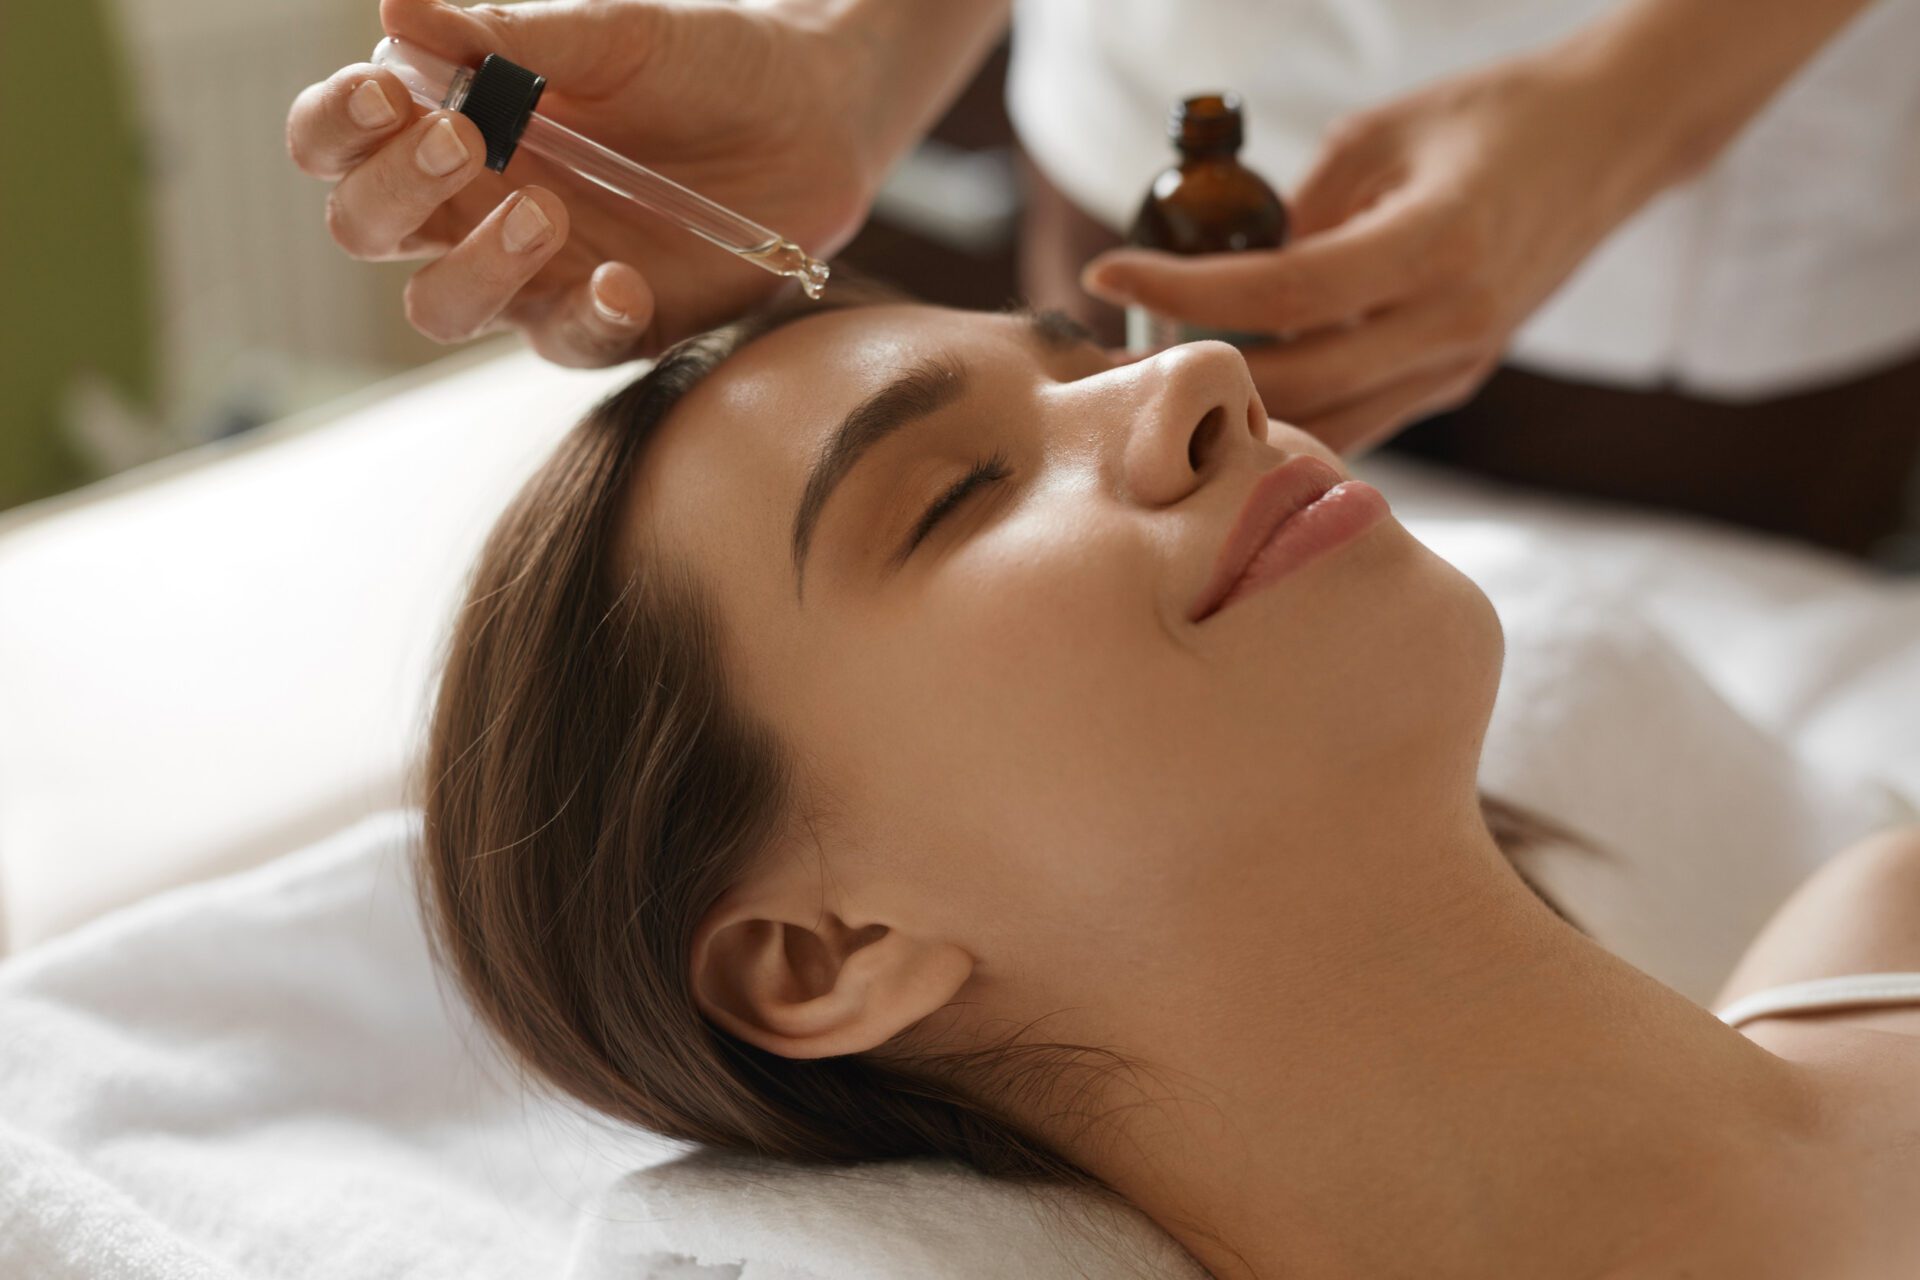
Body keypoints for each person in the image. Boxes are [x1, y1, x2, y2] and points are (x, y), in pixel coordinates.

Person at [421, 287, 1920, 1278]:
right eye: (958, 493)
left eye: (1093, 359)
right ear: (830, 953)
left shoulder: (1890, 911)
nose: (1205, 375)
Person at [288, 0, 1920, 555]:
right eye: (958, 497)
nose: (1193, 391)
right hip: (1161, 87)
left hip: (1735, 211)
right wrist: (857, 58)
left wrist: (1633, 112)